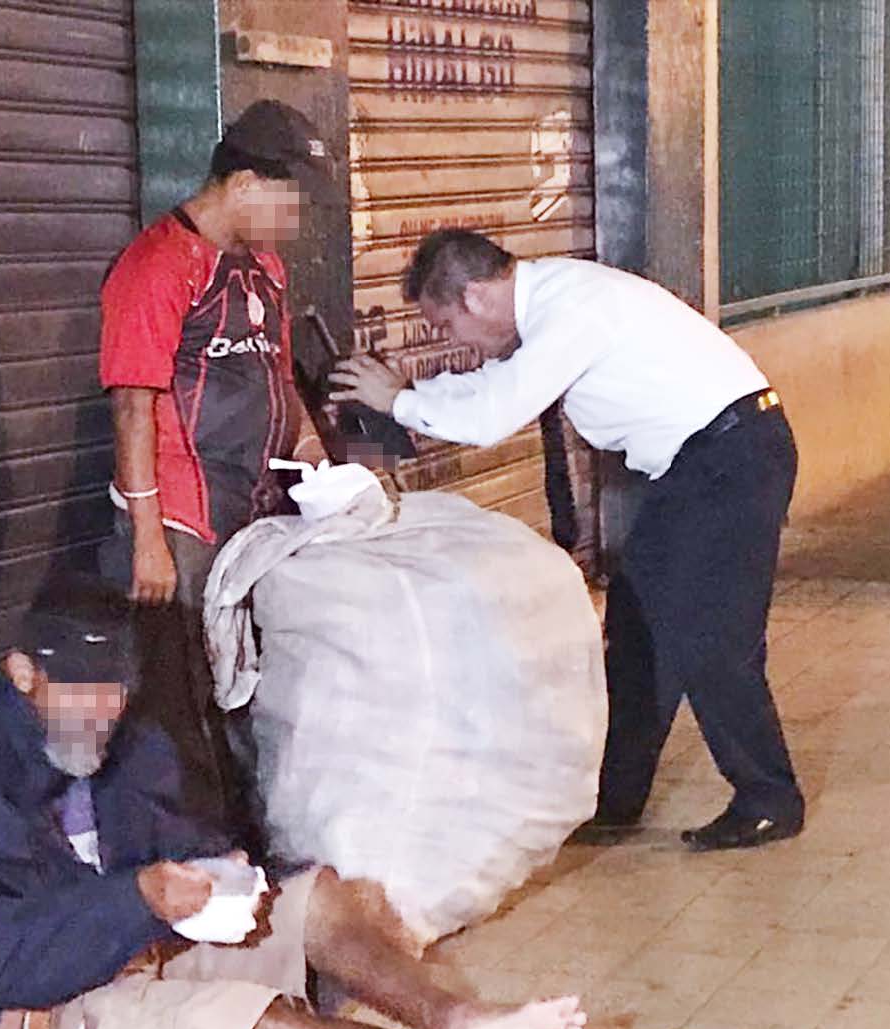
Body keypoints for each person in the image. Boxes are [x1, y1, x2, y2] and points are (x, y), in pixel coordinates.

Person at [0, 576, 586, 1029]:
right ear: (24, 674)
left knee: (318, 899)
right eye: (84, 691)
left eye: (117, 690)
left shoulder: (124, 735)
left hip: (134, 939)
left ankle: (455, 1020)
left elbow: (179, 835)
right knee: (228, 1014)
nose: (104, 709)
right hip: (27, 1005)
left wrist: (216, 869)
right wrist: (138, 899)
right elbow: (0, 964)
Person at [329, 230, 803, 852]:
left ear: (475, 297)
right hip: (701, 465)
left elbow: (493, 415)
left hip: (730, 459)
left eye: (447, 325)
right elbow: (495, 387)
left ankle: (770, 798)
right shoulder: (550, 304)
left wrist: (398, 402)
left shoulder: (572, 308)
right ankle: (613, 799)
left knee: (713, 639)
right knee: (638, 631)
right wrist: (405, 398)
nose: (453, 343)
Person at [95, 100, 334, 841]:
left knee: (248, 686)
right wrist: (147, 537)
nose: (296, 220)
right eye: (290, 199)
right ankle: (198, 854)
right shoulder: (157, 265)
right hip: (181, 522)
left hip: (252, 518)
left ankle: (253, 840)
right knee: (183, 697)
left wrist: (315, 454)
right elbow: (132, 406)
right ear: (244, 183)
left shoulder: (263, 269)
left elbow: (280, 376)